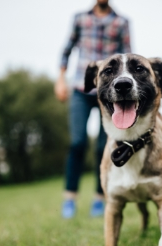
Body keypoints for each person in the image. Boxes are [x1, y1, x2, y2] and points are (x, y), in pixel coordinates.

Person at [55, 0, 131, 218]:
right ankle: (69, 199)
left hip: (109, 92)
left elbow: (128, 56)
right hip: (81, 87)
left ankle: (99, 199)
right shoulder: (80, 19)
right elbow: (66, 51)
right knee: (77, 142)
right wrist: (61, 80)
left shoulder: (121, 22)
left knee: (103, 146)